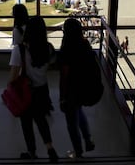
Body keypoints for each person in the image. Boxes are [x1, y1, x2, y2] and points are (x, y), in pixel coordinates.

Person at [8, 16, 58, 163]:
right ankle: (50, 148)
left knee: (26, 124)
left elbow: (13, 77)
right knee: (41, 120)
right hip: (42, 89)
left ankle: (32, 152)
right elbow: (51, 63)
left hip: (26, 92)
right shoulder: (48, 48)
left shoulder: (20, 50)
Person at [58, 18, 95, 159]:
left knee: (71, 123)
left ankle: (78, 151)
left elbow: (65, 75)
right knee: (79, 112)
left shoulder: (67, 47)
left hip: (71, 89)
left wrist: (62, 97)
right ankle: (88, 139)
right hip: (83, 86)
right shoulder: (85, 44)